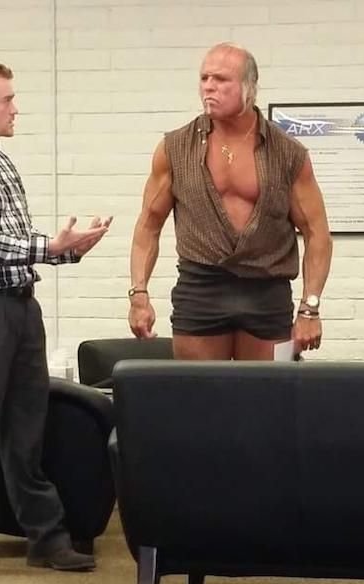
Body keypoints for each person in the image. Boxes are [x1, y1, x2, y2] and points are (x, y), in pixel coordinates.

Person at [0, 56, 112, 571]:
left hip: (20, 308)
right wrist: (46, 247)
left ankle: (46, 538)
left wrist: (68, 249)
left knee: (26, 427)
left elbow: (16, 240)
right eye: (7, 99)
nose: (16, 108)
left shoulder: (0, 161)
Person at [128, 43, 333, 360]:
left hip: (267, 291)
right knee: (199, 389)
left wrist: (310, 307)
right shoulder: (174, 148)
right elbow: (148, 225)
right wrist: (139, 294)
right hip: (201, 288)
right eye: (204, 78)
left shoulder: (288, 153)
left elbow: (317, 233)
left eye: (221, 79)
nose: (209, 86)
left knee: (269, 389)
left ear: (249, 88)